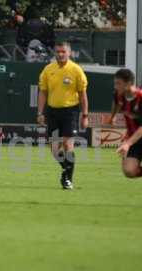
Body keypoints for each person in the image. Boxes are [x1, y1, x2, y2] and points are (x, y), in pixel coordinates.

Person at [37, 41, 89, 190]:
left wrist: (85, 116)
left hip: (70, 112)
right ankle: (67, 168)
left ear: (69, 53)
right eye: (58, 51)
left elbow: (83, 94)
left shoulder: (76, 70)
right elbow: (43, 92)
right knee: (54, 149)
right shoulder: (48, 70)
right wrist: (40, 113)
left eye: (63, 52)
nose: (60, 54)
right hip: (52, 112)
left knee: (67, 144)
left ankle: (68, 179)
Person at [109, 68, 142, 188]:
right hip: (134, 136)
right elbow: (115, 104)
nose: (116, 86)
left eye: (118, 83)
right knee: (129, 171)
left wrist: (127, 144)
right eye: (115, 83)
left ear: (129, 83)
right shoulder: (118, 95)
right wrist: (112, 117)